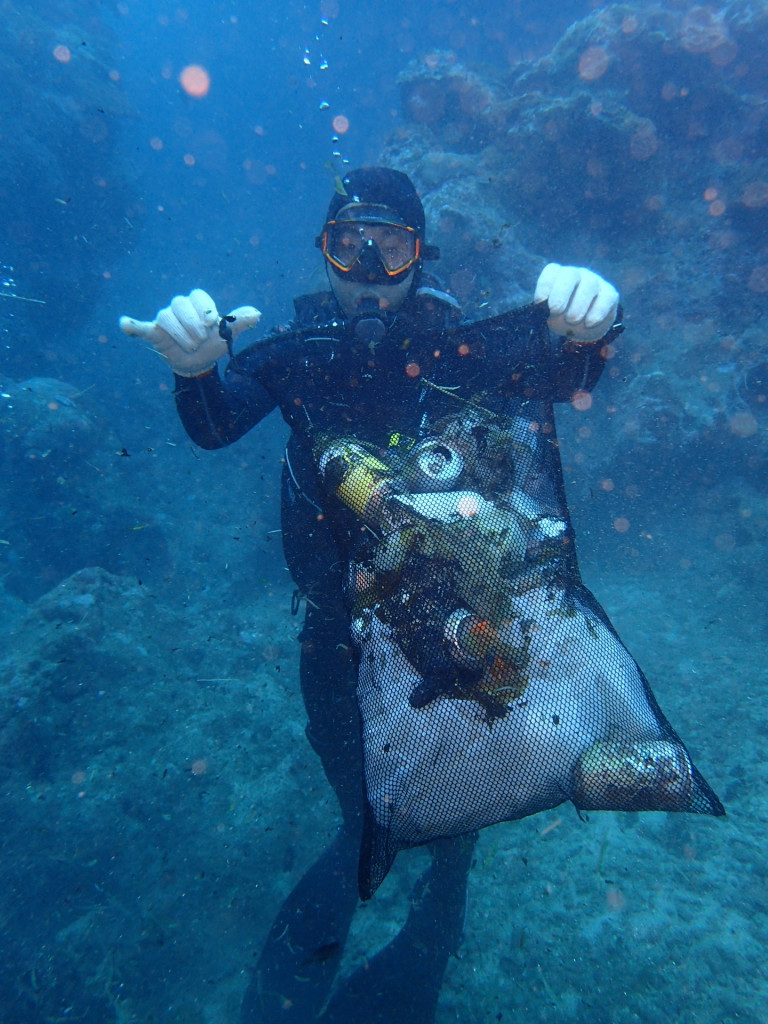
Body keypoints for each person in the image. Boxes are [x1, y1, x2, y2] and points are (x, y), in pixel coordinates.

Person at [120, 166, 623, 1023]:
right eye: (344, 247)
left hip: (463, 633)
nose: (363, 269)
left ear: (419, 259)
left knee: (458, 810)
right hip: (335, 642)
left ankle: (438, 918)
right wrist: (195, 372)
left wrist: (591, 325)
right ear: (323, 258)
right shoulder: (298, 358)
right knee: (363, 817)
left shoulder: (458, 349)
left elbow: (559, 370)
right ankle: (300, 982)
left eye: (388, 247)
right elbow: (215, 423)